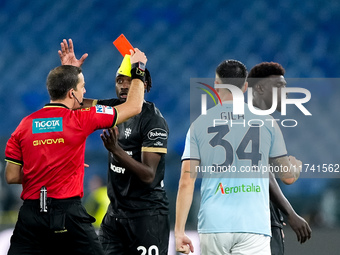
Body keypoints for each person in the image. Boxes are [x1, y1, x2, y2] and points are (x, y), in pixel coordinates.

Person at [4, 45, 148, 255]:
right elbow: (134, 106)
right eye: (82, 87)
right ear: (72, 92)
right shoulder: (80, 119)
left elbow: (11, 175)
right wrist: (139, 68)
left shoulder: (24, 124)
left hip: (31, 216)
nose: (85, 92)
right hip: (67, 214)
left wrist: (69, 73)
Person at [175, 59, 300, 255]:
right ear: (245, 87)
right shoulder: (267, 122)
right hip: (254, 225)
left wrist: (179, 230)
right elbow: (288, 176)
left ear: (216, 85)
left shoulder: (199, 125)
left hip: (214, 225)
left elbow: (185, 182)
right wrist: (295, 166)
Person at [59, 39, 170, 255]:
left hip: (147, 218)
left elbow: (148, 175)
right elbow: (71, 104)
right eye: (119, 80)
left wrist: (116, 151)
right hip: (115, 217)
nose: (124, 85)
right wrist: (69, 74)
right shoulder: (112, 109)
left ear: (143, 85)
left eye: (129, 80)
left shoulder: (153, 121)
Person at [247, 62, 312, 255]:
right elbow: (286, 176)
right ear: (259, 88)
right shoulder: (266, 122)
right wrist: (291, 214)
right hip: (260, 217)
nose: (287, 93)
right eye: (280, 87)